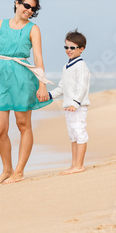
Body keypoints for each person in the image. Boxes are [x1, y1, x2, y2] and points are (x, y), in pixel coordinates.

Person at [0, 0, 52, 185]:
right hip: (1, 79)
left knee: (23, 125)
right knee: (0, 129)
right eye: (27, 6)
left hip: (22, 78)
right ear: (16, 3)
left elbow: (38, 58)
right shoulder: (0, 25)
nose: (30, 11)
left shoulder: (33, 29)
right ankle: (7, 170)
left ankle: (19, 171)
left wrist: (42, 85)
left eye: (33, 9)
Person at [45, 29, 91, 175]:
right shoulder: (66, 66)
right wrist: (49, 95)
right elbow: (62, 87)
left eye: (72, 47)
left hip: (78, 106)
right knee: (72, 135)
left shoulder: (81, 66)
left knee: (79, 133)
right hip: (68, 107)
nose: (69, 50)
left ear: (81, 49)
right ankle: (73, 164)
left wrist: (75, 103)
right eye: (66, 47)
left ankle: (79, 165)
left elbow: (82, 87)